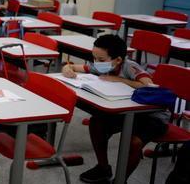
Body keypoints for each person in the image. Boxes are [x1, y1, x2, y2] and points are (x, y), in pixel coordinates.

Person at [62, 34, 169, 184]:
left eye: (100, 60)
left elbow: (148, 86)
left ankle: (120, 180)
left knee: (134, 143)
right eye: (94, 58)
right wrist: (68, 68)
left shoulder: (130, 67)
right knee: (96, 123)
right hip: (125, 111)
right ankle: (103, 168)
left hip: (152, 116)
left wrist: (120, 80)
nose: (96, 63)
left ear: (118, 60)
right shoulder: (104, 64)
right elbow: (75, 66)